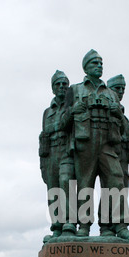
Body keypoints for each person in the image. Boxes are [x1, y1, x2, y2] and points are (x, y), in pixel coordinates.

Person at [62, 50, 129, 241]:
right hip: (85, 143)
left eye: (100, 63)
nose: (99, 66)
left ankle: (121, 225)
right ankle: (84, 226)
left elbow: (124, 128)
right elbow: (64, 123)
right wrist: (73, 111)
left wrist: (118, 114)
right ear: (86, 67)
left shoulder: (111, 94)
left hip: (108, 144)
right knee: (85, 185)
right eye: (94, 63)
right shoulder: (75, 90)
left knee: (116, 182)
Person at [39, 70, 75, 241]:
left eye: (64, 84)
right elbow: (43, 136)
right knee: (53, 190)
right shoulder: (47, 112)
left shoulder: (71, 106)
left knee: (66, 182)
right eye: (58, 84)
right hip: (51, 153)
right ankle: (57, 227)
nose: (62, 87)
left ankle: (69, 222)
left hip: (66, 150)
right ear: (53, 88)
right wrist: (42, 164)